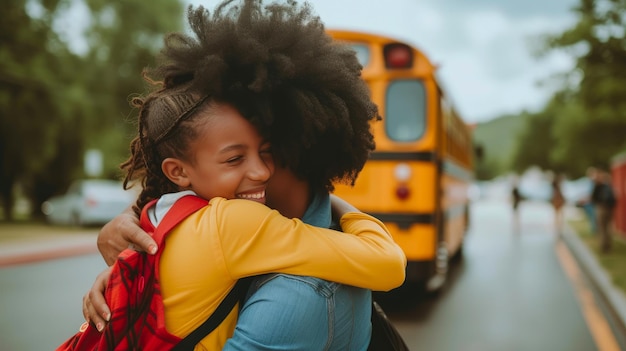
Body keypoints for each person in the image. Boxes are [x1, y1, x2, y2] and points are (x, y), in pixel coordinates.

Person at [83, 1, 406, 350]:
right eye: (234, 157)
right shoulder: (222, 223)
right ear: (179, 171)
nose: (259, 169)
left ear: (301, 143)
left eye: (265, 150)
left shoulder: (299, 293)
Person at [591, 169, 616, 253]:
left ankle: (604, 246)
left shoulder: (598, 186)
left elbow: (593, 198)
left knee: (602, 228)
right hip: (609, 208)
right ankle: (608, 245)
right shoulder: (609, 186)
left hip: (601, 208)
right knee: (608, 227)